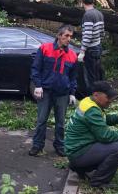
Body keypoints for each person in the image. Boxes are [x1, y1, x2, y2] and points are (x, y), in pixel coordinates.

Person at [65, 81, 118, 189]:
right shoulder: (92, 110)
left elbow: (101, 120)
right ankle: (98, 182)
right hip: (78, 152)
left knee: (109, 146)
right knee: (117, 148)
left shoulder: (88, 101)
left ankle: (80, 168)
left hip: (75, 150)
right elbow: (105, 136)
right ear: (96, 94)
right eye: (108, 97)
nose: (111, 100)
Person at [28, 24, 78, 157]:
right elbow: (35, 68)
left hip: (62, 93)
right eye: (66, 36)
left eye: (70, 37)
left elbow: (73, 77)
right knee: (41, 120)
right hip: (46, 91)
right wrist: (37, 85)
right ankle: (37, 145)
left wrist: (72, 93)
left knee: (61, 122)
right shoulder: (45, 49)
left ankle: (60, 145)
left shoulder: (72, 55)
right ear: (59, 36)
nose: (68, 39)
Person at [79, 0, 105, 94]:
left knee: (90, 77)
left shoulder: (88, 15)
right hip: (98, 46)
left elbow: (88, 35)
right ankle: (100, 96)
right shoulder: (99, 13)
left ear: (82, 1)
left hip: (90, 49)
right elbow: (102, 32)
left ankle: (92, 98)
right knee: (97, 74)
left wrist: (82, 51)